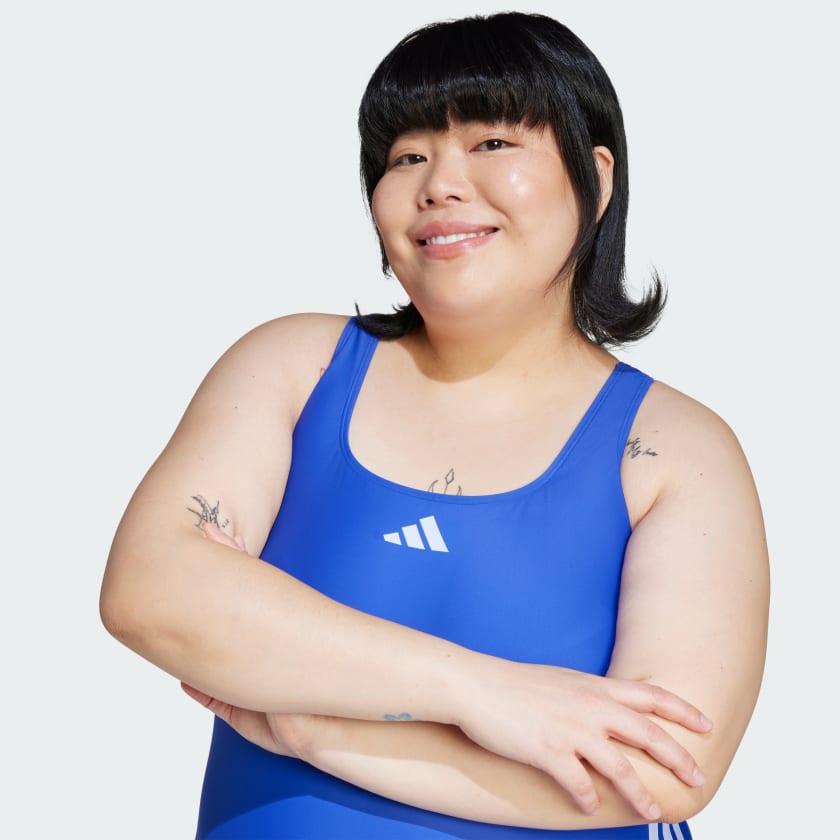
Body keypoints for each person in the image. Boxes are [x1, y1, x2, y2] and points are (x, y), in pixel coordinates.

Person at [100, 11, 769, 839]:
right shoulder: (297, 368)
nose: (439, 185)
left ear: (595, 180)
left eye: (492, 143)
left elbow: (661, 771)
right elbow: (151, 589)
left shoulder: (674, 449)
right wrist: (484, 694)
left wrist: (317, 727)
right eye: (406, 156)